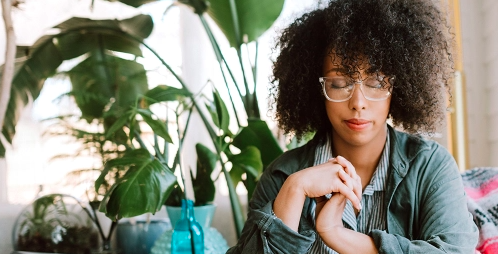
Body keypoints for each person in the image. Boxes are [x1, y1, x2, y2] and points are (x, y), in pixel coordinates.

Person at [226, 0, 479, 253]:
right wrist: (294, 191)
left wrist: (338, 235)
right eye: (339, 83)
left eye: (377, 82)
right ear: (317, 90)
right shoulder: (283, 176)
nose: (358, 103)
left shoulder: (429, 167)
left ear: (398, 88)